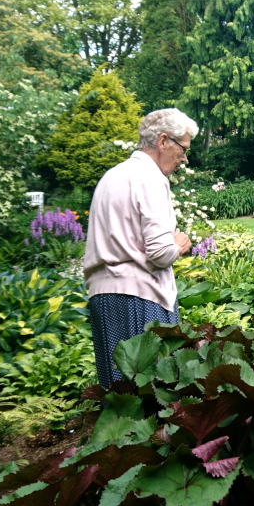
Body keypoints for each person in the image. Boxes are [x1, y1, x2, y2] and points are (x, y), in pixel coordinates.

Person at [84, 108, 197, 390]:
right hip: (140, 299)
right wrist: (179, 246)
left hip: (103, 297)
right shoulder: (150, 178)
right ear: (163, 141)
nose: (185, 158)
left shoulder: (111, 176)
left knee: (118, 397)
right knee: (151, 396)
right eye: (183, 148)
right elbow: (159, 254)